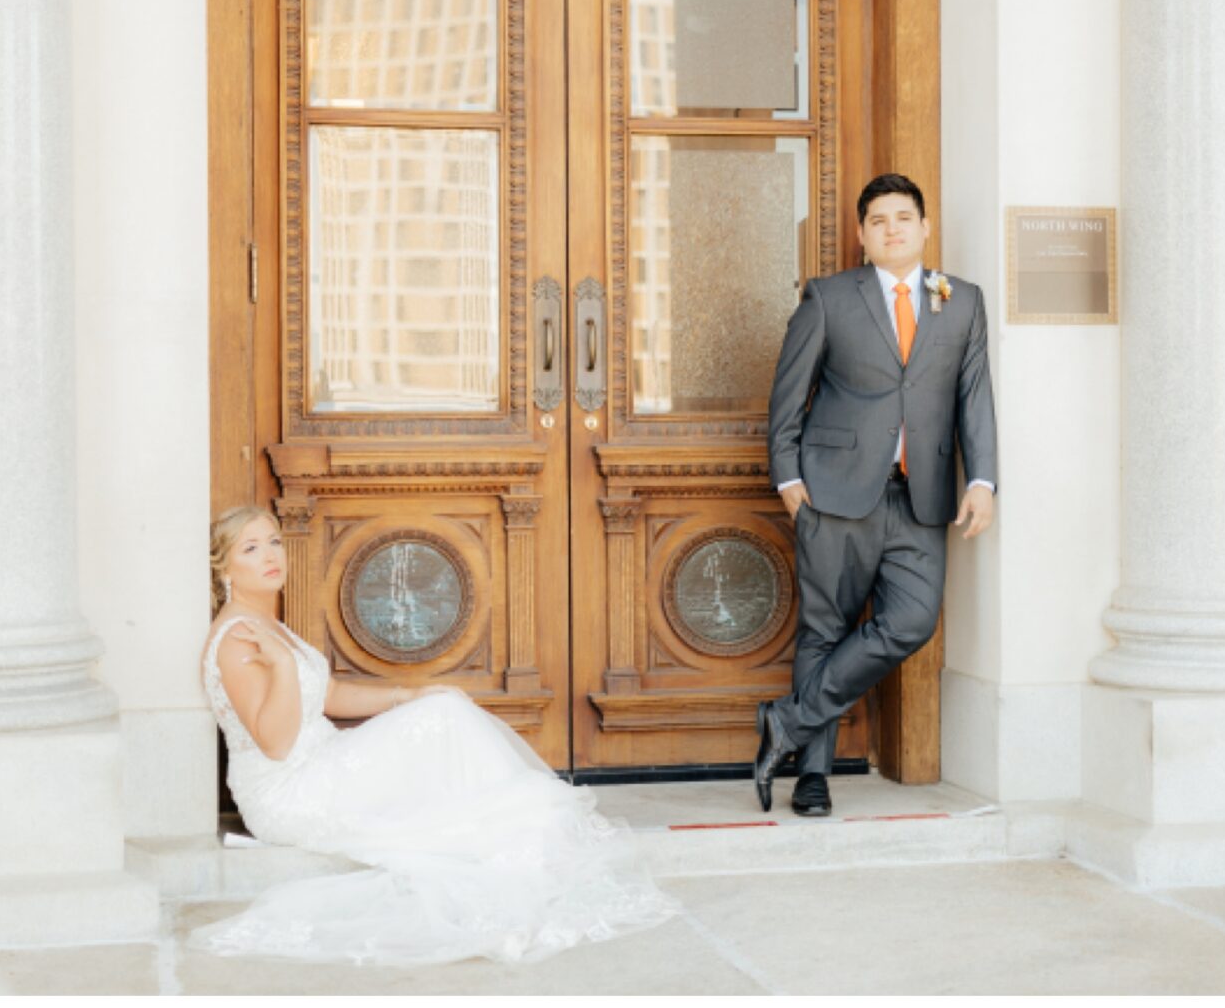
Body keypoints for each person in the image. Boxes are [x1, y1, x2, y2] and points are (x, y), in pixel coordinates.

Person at [190, 506, 675, 965]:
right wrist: (279, 668)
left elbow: (330, 694)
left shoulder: (265, 622)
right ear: (224, 568)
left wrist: (408, 694)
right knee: (444, 718)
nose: (271, 555)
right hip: (289, 792)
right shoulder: (237, 637)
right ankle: (525, 843)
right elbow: (275, 743)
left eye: (274, 541)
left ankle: (520, 838)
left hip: (323, 761)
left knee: (440, 707)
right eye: (251, 548)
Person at [757, 172, 998, 816]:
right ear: (863, 236)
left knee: (913, 621)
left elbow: (974, 396)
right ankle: (812, 776)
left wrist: (982, 480)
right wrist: (789, 483)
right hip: (833, 495)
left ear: (924, 227)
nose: (892, 229)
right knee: (824, 629)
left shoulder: (963, 301)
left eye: (903, 217)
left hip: (922, 497)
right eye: (878, 221)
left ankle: (788, 719)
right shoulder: (830, 298)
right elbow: (788, 397)